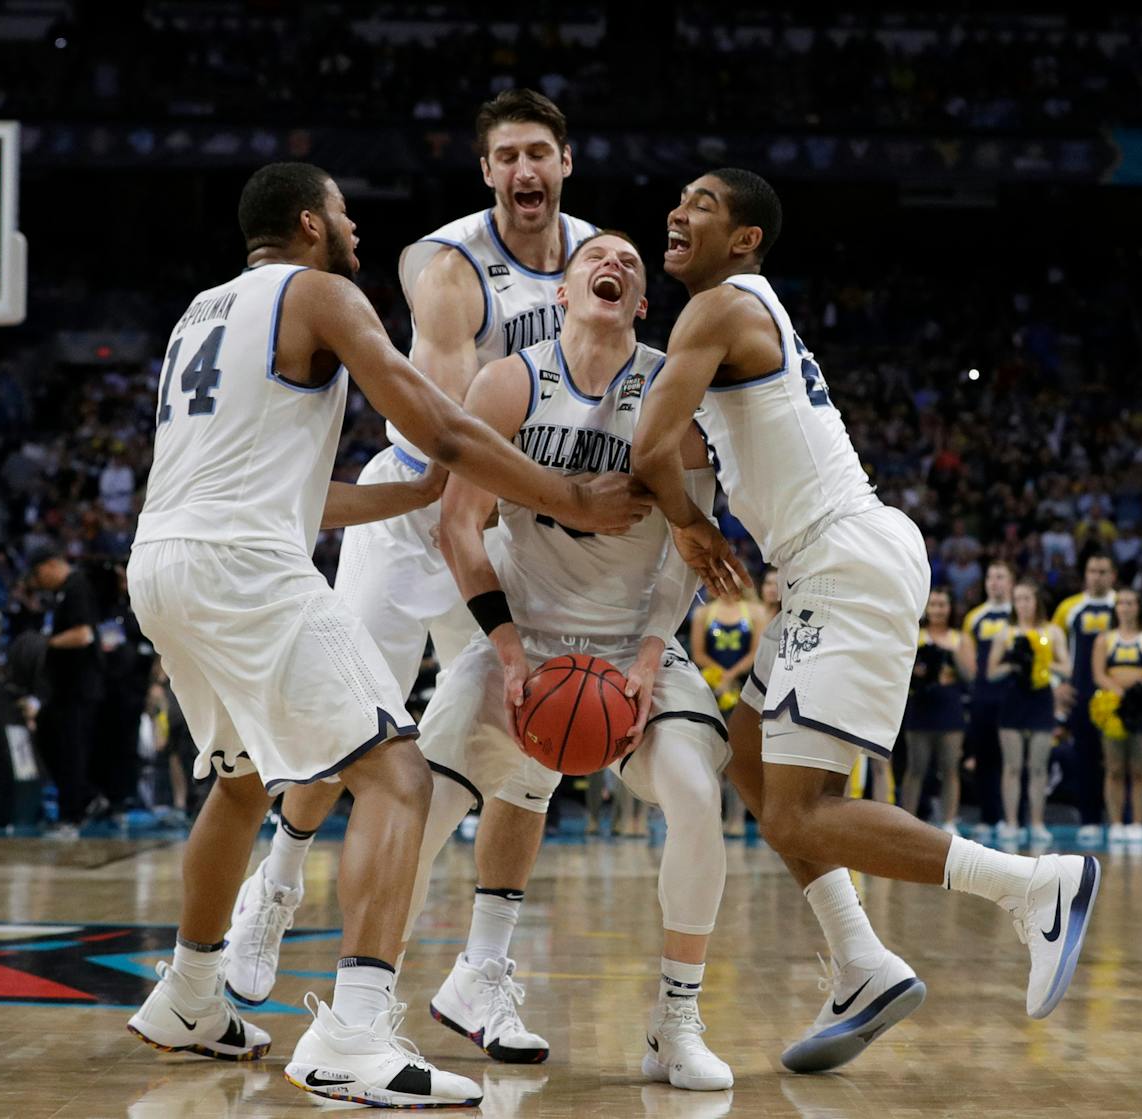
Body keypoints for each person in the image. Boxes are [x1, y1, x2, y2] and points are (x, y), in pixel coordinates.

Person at [123, 162, 646, 1109]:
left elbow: (298, 492)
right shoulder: (321, 292)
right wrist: (569, 495)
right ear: (310, 222)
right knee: (396, 775)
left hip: (164, 560)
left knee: (242, 783)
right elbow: (442, 427)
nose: (355, 224)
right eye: (344, 211)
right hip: (244, 566)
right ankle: (353, 1035)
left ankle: (189, 997)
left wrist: (405, 498)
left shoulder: (201, 312)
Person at [633, 168, 1100, 1037]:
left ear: (745, 239)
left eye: (702, 202)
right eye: (681, 197)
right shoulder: (734, 314)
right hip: (830, 564)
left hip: (843, 557)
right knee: (749, 754)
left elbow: (649, 447)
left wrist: (691, 527)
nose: (677, 209)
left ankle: (1033, 885)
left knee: (800, 807)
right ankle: (862, 962)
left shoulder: (721, 304)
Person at [221, 89, 602, 1065]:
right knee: (348, 723)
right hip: (416, 505)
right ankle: (276, 882)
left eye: (538, 153)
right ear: (485, 173)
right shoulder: (445, 266)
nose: (523, 170)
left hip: (518, 512)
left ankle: (481, 974)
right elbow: (447, 432)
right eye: (505, 155)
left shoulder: (602, 263)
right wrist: (563, 489)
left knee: (532, 743)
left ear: (565, 163)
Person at [406, 231, 732, 1091]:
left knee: (698, 799)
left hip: (634, 644)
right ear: (561, 292)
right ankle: (364, 1009)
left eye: (628, 262)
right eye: (599, 257)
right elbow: (456, 524)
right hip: (524, 630)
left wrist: (652, 654)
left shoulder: (673, 387)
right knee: (417, 803)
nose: (613, 264)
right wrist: (508, 653)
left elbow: (686, 551)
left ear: (642, 301)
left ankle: (675, 1021)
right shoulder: (511, 380)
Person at [28, 548, 105, 839]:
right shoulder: (63, 592)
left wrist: (47, 643)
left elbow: (83, 634)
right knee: (51, 739)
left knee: (71, 751)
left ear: (50, 565)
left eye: (38, 574)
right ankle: (87, 797)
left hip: (79, 689)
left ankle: (72, 815)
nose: (38, 581)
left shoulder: (77, 587)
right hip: (64, 690)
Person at [987, 581, 1070, 846]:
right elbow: (990, 672)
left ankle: (1036, 822)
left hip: (1041, 699)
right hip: (1014, 700)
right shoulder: (1006, 633)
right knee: (1012, 766)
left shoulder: (1053, 632)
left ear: (1037, 602)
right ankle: (1011, 822)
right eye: (1018, 599)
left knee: (1038, 767)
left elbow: (1066, 668)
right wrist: (1013, 662)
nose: (1022, 604)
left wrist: (1042, 662)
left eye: (1027, 599)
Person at [1053, 553, 1121, 842]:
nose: (1097, 576)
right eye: (1092, 570)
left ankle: (1123, 821)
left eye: (1103, 571)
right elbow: (1050, 647)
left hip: (1116, 697)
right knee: (1086, 760)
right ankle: (1090, 820)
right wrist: (1057, 685)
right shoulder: (1069, 608)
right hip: (1080, 695)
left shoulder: (1125, 605)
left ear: (1113, 575)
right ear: (1085, 575)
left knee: (1119, 762)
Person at [1091, 587, 1142, 842]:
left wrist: (1134, 694)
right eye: (1121, 603)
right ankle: (1115, 823)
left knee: (1139, 768)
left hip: (1141, 709)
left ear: (1139, 607)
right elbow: (1099, 674)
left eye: (1130, 603)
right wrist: (1118, 693)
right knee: (1114, 768)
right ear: (1116, 608)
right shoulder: (1105, 639)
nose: (1125, 607)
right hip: (1113, 708)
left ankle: (1137, 823)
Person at [691, 588, 760, 835]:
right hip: (711, 687)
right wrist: (719, 676)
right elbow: (698, 654)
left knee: (740, 756)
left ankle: (738, 819)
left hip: (743, 687)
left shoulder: (755, 611)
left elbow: (756, 653)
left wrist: (731, 676)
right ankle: (712, 818)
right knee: (711, 756)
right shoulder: (703, 613)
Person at [901, 587, 967, 833]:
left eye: (943, 604)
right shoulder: (915, 634)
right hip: (919, 704)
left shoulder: (960, 638)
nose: (938, 610)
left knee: (950, 767)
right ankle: (906, 822)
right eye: (934, 604)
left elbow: (970, 676)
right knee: (916, 766)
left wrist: (950, 656)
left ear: (950, 608)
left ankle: (949, 821)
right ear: (926, 608)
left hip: (949, 704)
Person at [960, 561, 1016, 836]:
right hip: (984, 696)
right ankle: (989, 815)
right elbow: (969, 660)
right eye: (991, 576)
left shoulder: (1020, 617)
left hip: (1015, 695)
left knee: (1014, 759)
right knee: (984, 757)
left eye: (1001, 576)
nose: (995, 582)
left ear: (1011, 583)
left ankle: (1014, 817)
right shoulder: (975, 617)